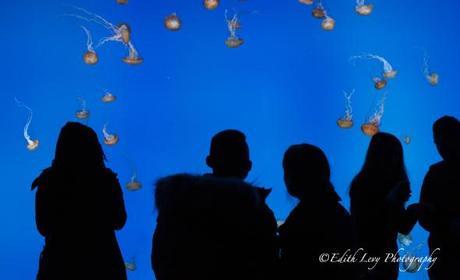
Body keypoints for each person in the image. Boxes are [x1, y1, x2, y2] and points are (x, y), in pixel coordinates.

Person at [151, 129, 277, 280]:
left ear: (209, 161)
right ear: (248, 166)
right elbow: (268, 262)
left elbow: (160, 259)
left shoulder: (177, 203)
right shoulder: (257, 212)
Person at [32, 122, 127, 280]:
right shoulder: (106, 180)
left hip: (59, 266)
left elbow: (42, 227)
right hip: (103, 265)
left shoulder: (48, 181)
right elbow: (119, 221)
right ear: (94, 148)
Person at [350, 132, 420, 280]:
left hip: (388, 258)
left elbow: (403, 226)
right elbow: (364, 225)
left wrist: (416, 209)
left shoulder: (392, 184)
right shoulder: (361, 184)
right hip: (365, 257)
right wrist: (392, 200)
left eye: (396, 155)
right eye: (389, 154)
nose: (393, 159)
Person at [279, 144, 355, 280]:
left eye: (287, 171)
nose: (285, 177)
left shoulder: (301, 220)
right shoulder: (338, 212)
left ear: (295, 177)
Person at [419, 116, 460, 279]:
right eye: (438, 141)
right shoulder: (434, 173)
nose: (442, 146)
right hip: (442, 257)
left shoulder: (435, 173)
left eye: (447, 139)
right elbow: (423, 216)